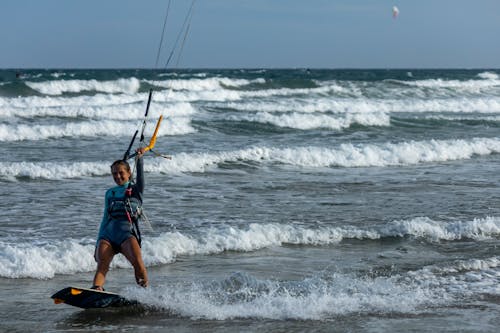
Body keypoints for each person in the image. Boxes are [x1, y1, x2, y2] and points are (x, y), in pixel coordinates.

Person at [92, 147, 148, 290]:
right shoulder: (109, 193)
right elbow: (105, 218)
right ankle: (97, 290)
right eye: (114, 174)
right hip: (108, 235)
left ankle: (145, 292)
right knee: (102, 265)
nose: (117, 176)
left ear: (129, 173)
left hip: (126, 235)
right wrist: (98, 242)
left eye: (121, 173)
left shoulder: (136, 190)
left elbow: (141, 178)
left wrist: (140, 159)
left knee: (138, 264)